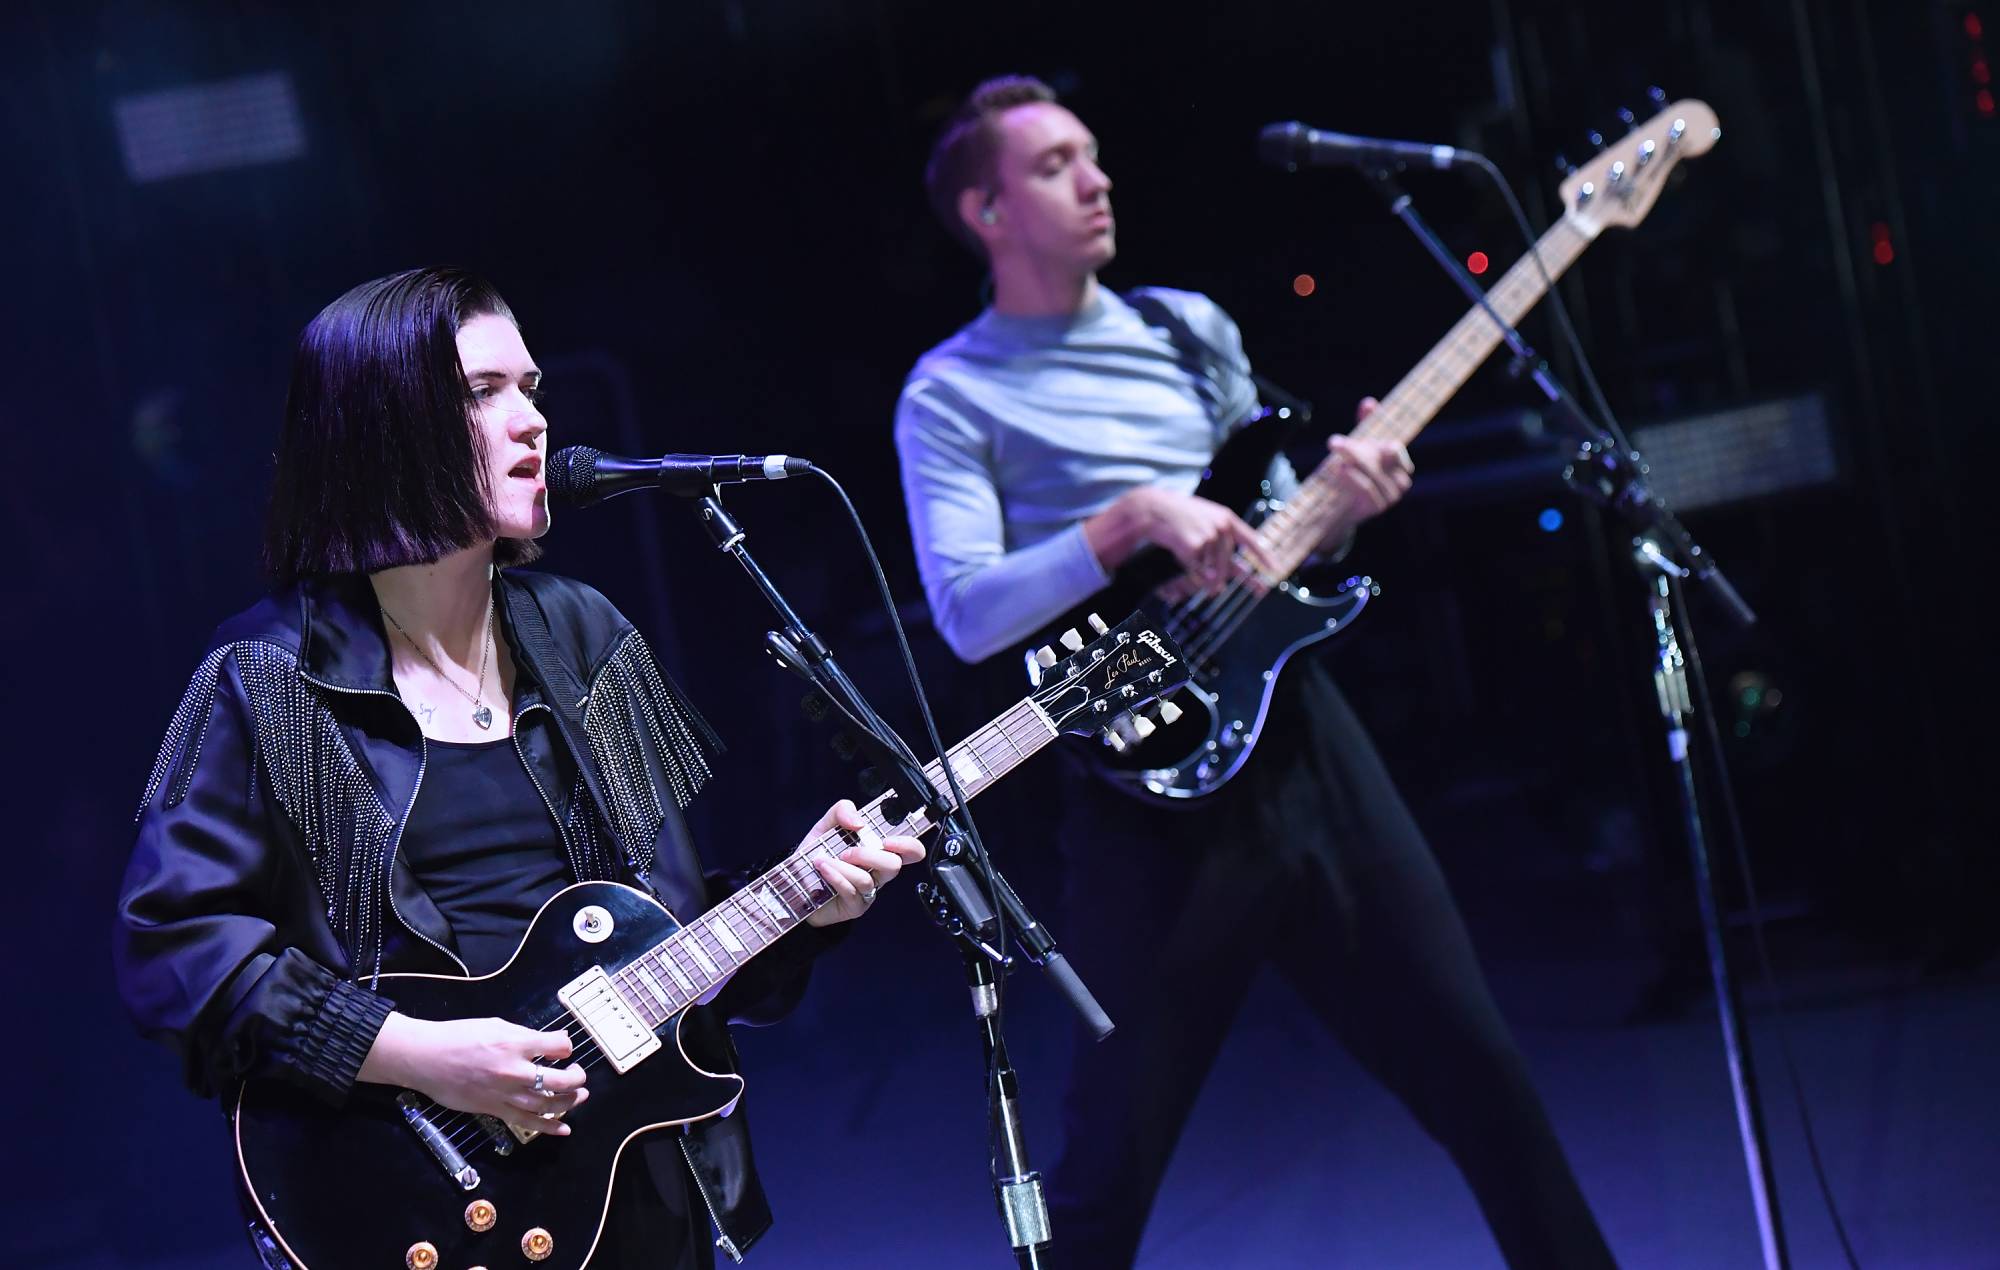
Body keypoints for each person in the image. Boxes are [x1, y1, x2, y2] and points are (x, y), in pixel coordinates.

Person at [894, 77, 1617, 1267]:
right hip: (1142, 798)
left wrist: (1338, 511)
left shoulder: (1187, 327)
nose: (1096, 177)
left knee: (1483, 1078)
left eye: (1094, 152)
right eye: (1054, 164)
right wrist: (1128, 519)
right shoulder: (951, 393)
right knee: (1104, 1173)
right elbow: (967, 615)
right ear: (985, 211)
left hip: (1305, 743)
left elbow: (1273, 526)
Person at [115, 267, 924, 1269]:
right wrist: (425, 1056)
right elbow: (175, 958)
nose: (531, 419)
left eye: (531, 387)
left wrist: (797, 908)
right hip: (414, 1198)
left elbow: (665, 941)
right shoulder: (266, 680)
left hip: (634, 1188)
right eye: (482, 392)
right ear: (381, 427)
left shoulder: (586, 635)